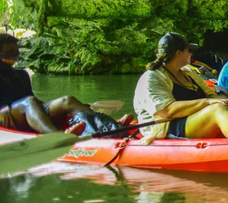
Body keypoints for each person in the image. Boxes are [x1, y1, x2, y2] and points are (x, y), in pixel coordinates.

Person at [0, 34, 132, 135]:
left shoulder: (21, 74)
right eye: (10, 52)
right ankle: (55, 137)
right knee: (29, 102)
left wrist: (49, 106)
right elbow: (29, 102)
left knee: (67, 101)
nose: (15, 56)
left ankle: (110, 127)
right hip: (4, 118)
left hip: (25, 111)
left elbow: (33, 100)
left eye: (16, 52)